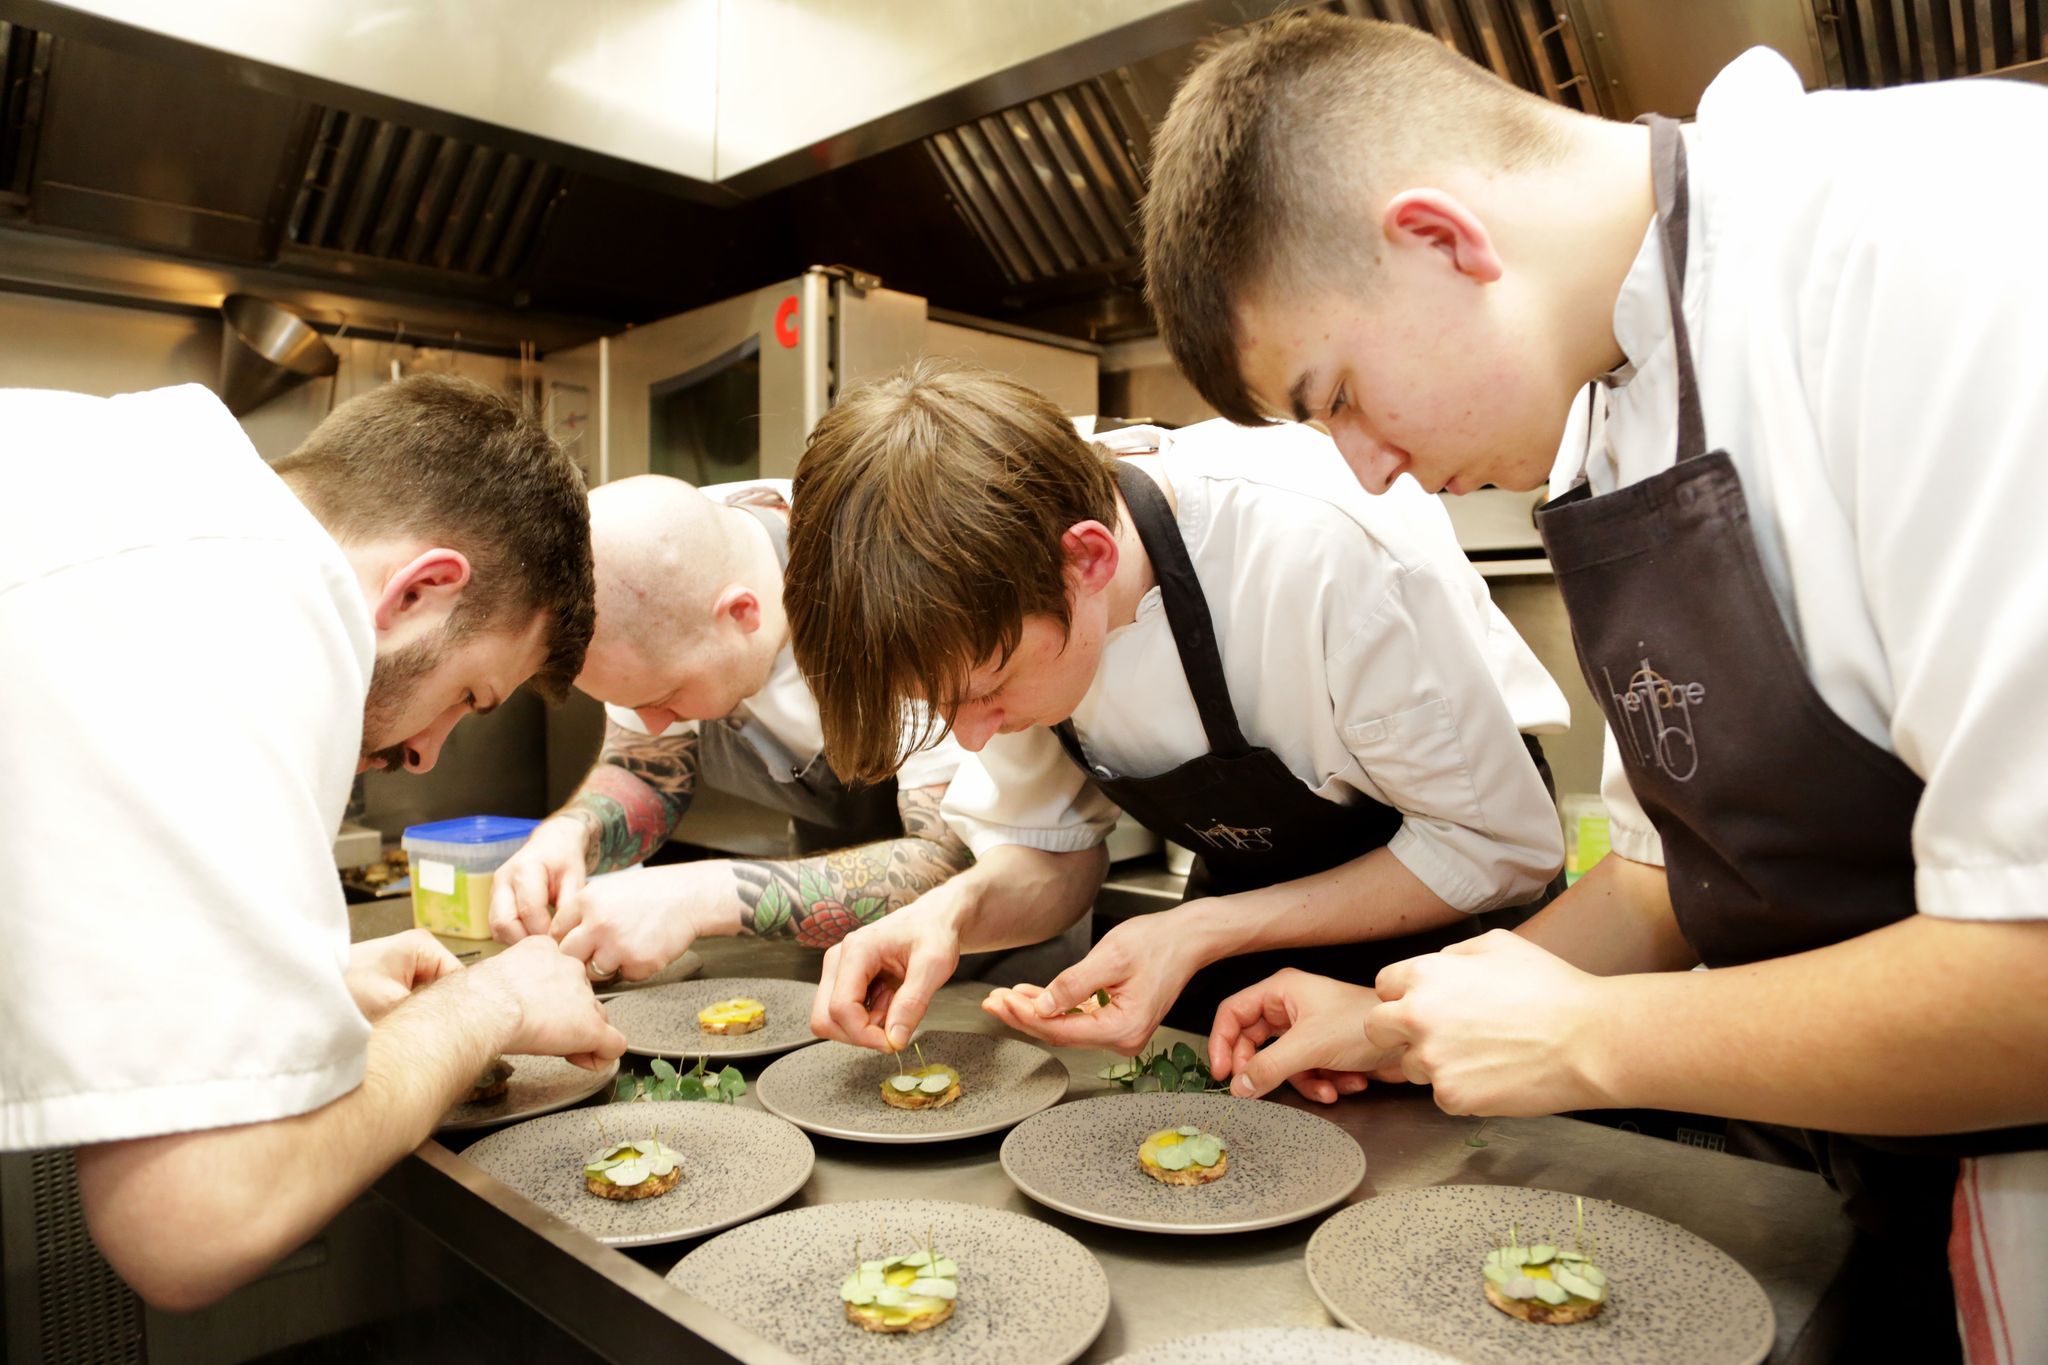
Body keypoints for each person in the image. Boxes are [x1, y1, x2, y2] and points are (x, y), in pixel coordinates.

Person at [1140, 11, 2048, 1359]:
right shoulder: (1615, 408)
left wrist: (1592, 1040)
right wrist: (1393, 1024)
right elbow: (1657, 877)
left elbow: (2027, 966)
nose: (1368, 466)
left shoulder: (1928, 235)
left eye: (1339, 395)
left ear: (1441, 239)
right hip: (1902, 1175)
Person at [0, 374, 626, 1311]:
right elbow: (192, 1218)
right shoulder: (246, 609)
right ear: (419, 590)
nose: (425, 754)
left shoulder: (143, 496)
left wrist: (298, 991)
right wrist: (485, 1008)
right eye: (469, 696)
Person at [782, 362, 1569, 1086]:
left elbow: (1501, 847)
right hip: (1244, 971)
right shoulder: (997, 565)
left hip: (1463, 962)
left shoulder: (1320, 546)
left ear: (1086, 560)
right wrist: (945, 915)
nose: (975, 736)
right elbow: (1051, 857)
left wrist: (1202, 929)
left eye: (988, 690)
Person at [488, 474, 972, 981]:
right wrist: (571, 834)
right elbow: (649, 769)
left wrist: (700, 897)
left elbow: (947, 860)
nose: (653, 722)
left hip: (991, 952)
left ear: (741, 614)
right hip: (839, 952)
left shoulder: (891, 595)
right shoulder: (639, 570)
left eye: (665, 697)